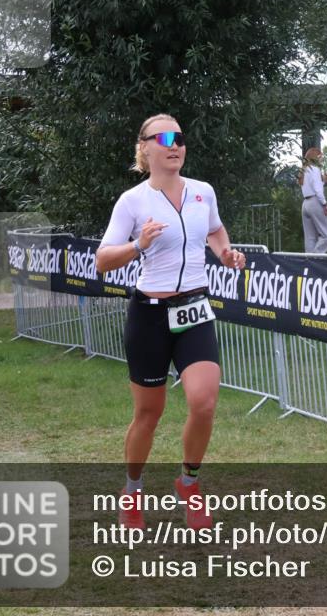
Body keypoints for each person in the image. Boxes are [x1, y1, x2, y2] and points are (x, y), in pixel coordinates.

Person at [95, 113, 246, 530]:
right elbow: (103, 261)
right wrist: (138, 244)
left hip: (195, 309)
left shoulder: (203, 192)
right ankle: (132, 489)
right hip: (149, 315)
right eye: (163, 137)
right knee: (149, 413)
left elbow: (215, 231)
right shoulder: (132, 201)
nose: (174, 144)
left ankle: (189, 483)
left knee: (204, 401)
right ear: (145, 148)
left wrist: (226, 253)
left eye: (179, 137)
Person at [300, 147, 327, 253]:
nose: (321, 160)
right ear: (316, 157)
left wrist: (322, 180)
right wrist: (325, 204)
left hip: (305, 204)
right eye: (320, 157)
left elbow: (311, 186)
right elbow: (318, 190)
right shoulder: (315, 169)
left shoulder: (304, 170)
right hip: (315, 202)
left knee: (310, 237)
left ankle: (308, 262)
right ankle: (316, 258)